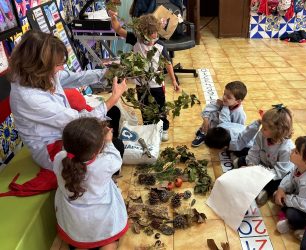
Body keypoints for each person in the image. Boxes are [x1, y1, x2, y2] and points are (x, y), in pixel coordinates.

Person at [8, 30, 127, 171]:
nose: (62, 68)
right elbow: (77, 122)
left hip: (65, 130)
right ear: (39, 66)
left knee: (113, 115)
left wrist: (105, 73)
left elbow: (75, 78)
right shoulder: (28, 97)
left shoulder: (41, 75)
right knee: (116, 146)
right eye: (58, 65)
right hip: (51, 148)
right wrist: (113, 98)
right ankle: (99, 182)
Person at [54, 117, 128, 249]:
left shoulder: (59, 159)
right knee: (109, 244)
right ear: (97, 151)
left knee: (79, 243)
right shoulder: (106, 163)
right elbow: (116, 158)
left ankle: (80, 246)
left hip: (73, 223)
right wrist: (109, 142)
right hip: (102, 221)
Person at [109, 11, 179, 142]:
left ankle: (163, 128)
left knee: (160, 107)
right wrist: (113, 18)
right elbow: (118, 30)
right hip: (141, 84)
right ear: (143, 33)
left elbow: (168, 63)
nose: (154, 36)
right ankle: (149, 127)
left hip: (157, 84)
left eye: (156, 33)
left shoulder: (160, 45)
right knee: (144, 106)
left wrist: (174, 80)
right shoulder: (136, 39)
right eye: (151, 33)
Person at [234, 104, 294, 206]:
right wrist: (251, 166)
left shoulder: (287, 149)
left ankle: (267, 190)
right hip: (263, 164)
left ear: (277, 132)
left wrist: (258, 174)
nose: (261, 130)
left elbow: (279, 172)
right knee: (241, 161)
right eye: (262, 127)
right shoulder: (261, 135)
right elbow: (254, 151)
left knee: (280, 182)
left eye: (265, 129)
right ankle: (260, 183)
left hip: (276, 173)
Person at [192, 81, 248, 147]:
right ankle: (204, 132)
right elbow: (208, 109)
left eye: (228, 97)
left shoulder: (239, 114)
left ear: (238, 101)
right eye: (224, 94)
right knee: (211, 112)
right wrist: (206, 120)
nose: (224, 97)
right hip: (212, 126)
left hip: (224, 133)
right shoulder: (223, 101)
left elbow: (238, 130)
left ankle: (209, 134)